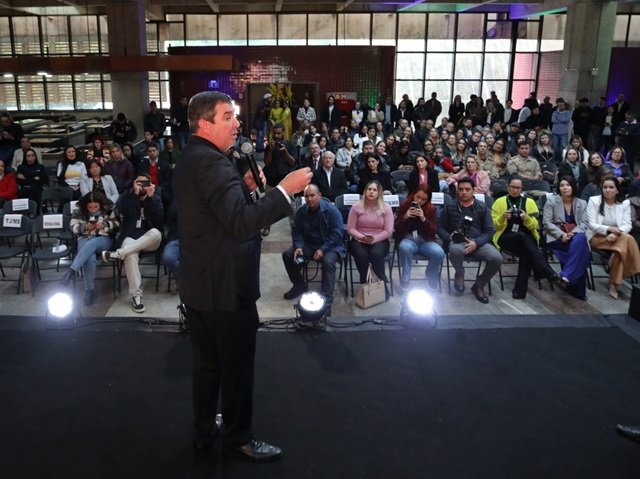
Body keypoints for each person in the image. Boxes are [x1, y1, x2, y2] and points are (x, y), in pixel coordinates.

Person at [173, 91, 311, 462]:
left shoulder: (191, 157)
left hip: (200, 284)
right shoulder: (213, 164)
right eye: (228, 117)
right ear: (204, 123)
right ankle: (238, 438)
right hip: (226, 287)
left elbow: (216, 214)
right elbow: (240, 224)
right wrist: (285, 190)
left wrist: (247, 189)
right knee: (235, 369)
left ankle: (204, 431)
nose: (237, 124)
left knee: (207, 367)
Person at [101, 173, 164, 313]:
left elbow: (159, 218)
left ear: (150, 184)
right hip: (130, 237)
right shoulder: (127, 197)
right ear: (134, 183)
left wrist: (151, 197)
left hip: (150, 239)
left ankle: (119, 253)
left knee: (156, 232)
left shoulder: (155, 197)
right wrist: (134, 195)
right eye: (139, 182)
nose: (142, 185)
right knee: (130, 255)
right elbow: (125, 213)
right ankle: (136, 296)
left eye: (145, 183)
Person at [491, 176, 559, 299]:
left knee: (526, 251)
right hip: (506, 237)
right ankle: (547, 270)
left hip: (527, 237)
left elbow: (535, 225)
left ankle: (520, 291)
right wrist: (502, 217)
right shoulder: (499, 202)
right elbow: (494, 226)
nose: (515, 190)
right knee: (524, 239)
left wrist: (527, 218)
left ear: (522, 188)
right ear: (507, 187)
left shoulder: (530, 202)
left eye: (518, 188)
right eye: (512, 187)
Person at [438, 177, 502, 303]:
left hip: (478, 242)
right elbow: (439, 227)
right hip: (457, 241)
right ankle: (459, 273)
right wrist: (449, 237)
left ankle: (479, 284)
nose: (464, 192)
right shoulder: (450, 206)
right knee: (455, 250)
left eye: (467, 189)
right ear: (457, 191)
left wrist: (476, 243)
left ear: (473, 190)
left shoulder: (482, 207)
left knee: (497, 258)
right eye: (461, 189)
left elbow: (490, 230)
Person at [282, 185, 344, 311]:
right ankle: (299, 285)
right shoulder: (301, 211)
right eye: (306, 196)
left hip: (331, 245)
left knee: (328, 262)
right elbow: (296, 230)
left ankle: (326, 300)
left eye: (312, 195)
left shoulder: (332, 211)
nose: (309, 199)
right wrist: (298, 246)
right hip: (310, 244)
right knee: (287, 255)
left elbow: (337, 233)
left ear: (319, 195)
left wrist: (323, 249)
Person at [61, 191, 119, 305]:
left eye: (96, 207)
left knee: (91, 244)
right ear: (85, 205)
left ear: (100, 204)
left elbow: (117, 223)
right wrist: (84, 227)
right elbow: (73, 227)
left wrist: (104, 225)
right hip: (84, 238)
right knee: (89, 258)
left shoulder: (109, 209)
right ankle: (89, 291)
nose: (93, 209)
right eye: (90, 207)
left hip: (103, 239)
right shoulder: (79, 211)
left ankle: (72, 270)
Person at [586, 177, 640, 299]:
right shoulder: (594, 201)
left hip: (617, 237)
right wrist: (609, 229)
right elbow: (592, 224)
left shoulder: (624, 203)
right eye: (605, 187)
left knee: (618, 251)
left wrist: (616, 233)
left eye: (611, 187)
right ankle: (634, 271)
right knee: (628, 239)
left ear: (617, 190)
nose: (607, 190)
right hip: (597, 237)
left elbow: (627, 224)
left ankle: (613, 283)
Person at [543, 176, 590, 300]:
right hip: (556, 237)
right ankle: (578, 291)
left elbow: (584, 223)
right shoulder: (552, 201)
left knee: (579, 240)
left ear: (573, 186)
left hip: (575, 235)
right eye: (562, 185)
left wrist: (571, 234)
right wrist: (562, 235)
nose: (565, 188)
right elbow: (547, 223)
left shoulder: (582, 203)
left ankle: (566, 276)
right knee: (581, 251)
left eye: (568, 185)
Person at [347, 180, 393, 296]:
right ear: (365, 191)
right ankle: (366, 282)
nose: (371, 192)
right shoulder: (356, 207)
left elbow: (388, 231)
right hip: (359, 239)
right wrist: (362, 237)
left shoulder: (386, 208)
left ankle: (381, 283)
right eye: (369, 189)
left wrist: (374, 239)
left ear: (379, 193)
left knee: (376, 254)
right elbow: (351, 228)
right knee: (361, 254)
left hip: (380, 239)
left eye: (374, 190)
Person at [395, 184, 444, 290]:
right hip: (409, 239)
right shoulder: (405, 205)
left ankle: (430, 274)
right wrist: (405, 217)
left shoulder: (432, 209)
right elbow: (396, 228)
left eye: (423, 199)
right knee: (404, 247)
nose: (419, 201)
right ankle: (405, 277)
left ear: (428, 199)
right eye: (418, 197)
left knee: (439, 253)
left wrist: (423, 219)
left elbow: (433, 231)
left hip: (426, 240)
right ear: (413, 195)